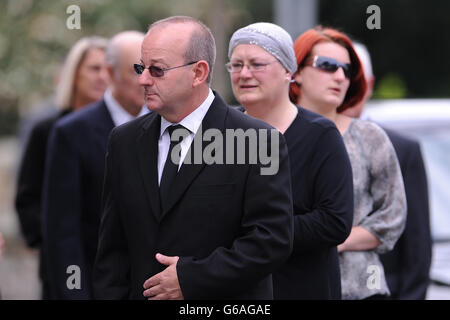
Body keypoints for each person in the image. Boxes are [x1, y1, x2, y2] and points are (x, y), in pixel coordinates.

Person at [93, 16, 294, 300]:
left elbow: (271, 242)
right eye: (141, 68)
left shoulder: (259, 140)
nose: (143, 79)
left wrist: (192, 278)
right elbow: (112, 250)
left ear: (198, 73)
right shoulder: (123, 141)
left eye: (157, 70)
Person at [227, 22, 353, 299]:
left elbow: (334, 221)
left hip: (301, 287)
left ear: (288, 71)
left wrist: (259, 235)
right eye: (236, 65)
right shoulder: (220, 133)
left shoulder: (320, 135)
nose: (244, 74)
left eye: (257, 64)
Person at [290, 26, 407, 300]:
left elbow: (392, 216)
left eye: (347, 69)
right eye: (327, 65)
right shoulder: (268, 132)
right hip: (286, 284)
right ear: (294, 71)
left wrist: (334, 238)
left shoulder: (369, 136)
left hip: (360, 289)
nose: (340, 76)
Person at [41, 31, 148, 300]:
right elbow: (64, 229)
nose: (145, 79)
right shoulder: (72, 132)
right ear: (111, 75)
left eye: (153, 69)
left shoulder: (167, 124)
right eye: (136, 70)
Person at [14, 36, 109, 299]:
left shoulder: (121, 129)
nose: (102, 76)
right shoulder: (49, 129)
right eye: (94, 68)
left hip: (108, 263)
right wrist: (51, 241)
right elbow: (27, 195)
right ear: (74, 73)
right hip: (63, 262)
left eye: (108, 69)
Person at [342, 42, 432, 300]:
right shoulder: (303, 141)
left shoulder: (400, 149)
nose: (343, 84)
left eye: (353, 78)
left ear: (368, 85)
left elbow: (417, 249)